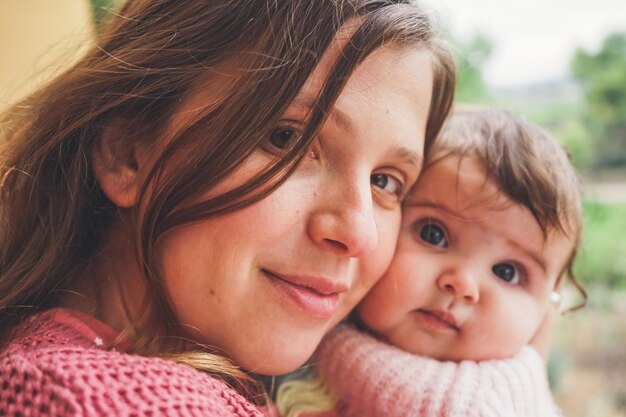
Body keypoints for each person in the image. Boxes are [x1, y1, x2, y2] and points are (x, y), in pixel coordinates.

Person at [0, 0, 456, 415]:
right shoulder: (88, 398)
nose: (359, 234)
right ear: (127, 153)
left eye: (385, 182)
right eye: (287, 139)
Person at [276, 108, 586, 417]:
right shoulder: (291, 346)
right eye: (433, 234)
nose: (462, 283)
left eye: (507, 272)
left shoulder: (509, 404)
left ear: (549, 305)